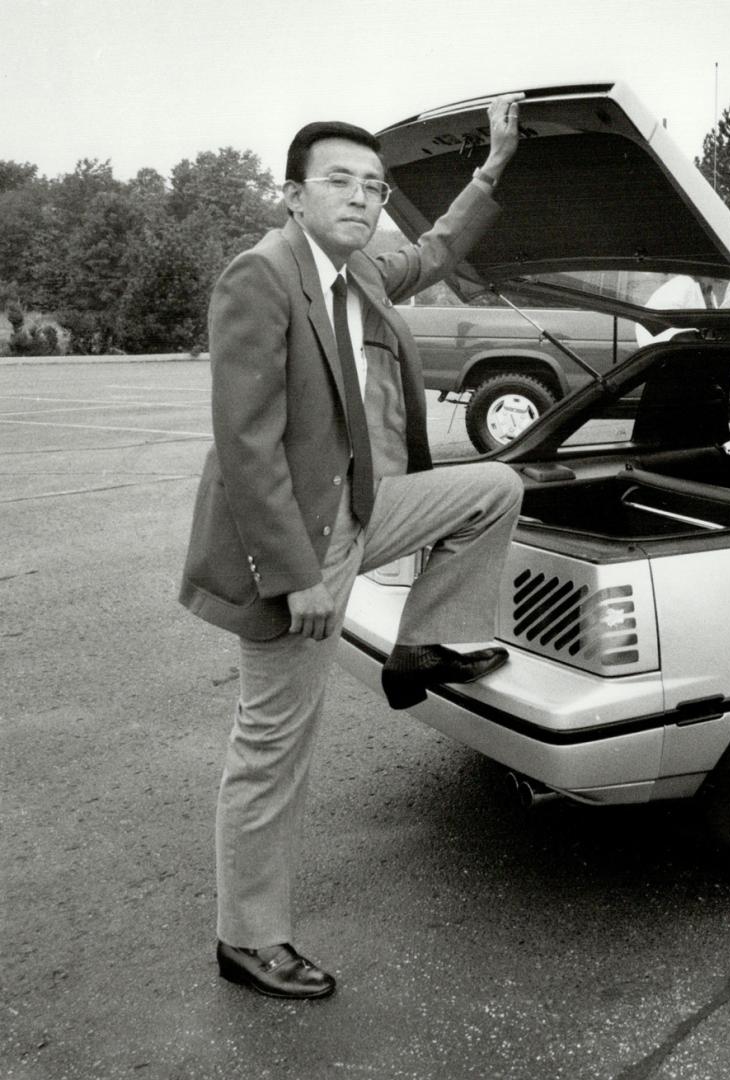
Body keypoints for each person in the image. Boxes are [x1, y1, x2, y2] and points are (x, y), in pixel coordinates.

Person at [178, 96, 524, 1000]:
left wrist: (494, 165)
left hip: (365, 510)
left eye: (374, 187)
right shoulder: (259, 278)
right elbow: (248, 450)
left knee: (491, 486)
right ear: (292, 194)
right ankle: (247, 939)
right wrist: (298, 580)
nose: (361, 199)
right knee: (272, 745)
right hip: (296, 544)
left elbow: (438, 251)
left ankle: (423, 642)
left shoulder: (359, 271)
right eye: (339, 181)